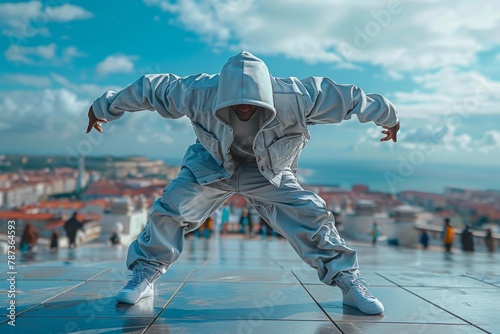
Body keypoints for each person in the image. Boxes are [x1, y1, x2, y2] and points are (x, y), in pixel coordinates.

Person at [86, 51, 399, 315]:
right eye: (236, 104)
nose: (244, 109)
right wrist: (101, 109)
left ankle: (348, 282)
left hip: (268, 169)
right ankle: (144, 275)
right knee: (172, 205)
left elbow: (353, 98)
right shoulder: (196, 92)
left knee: (310, 214)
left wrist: (389, 118)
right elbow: (149, 90)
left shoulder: (299, 97)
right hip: (213, 162)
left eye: (251, 104)